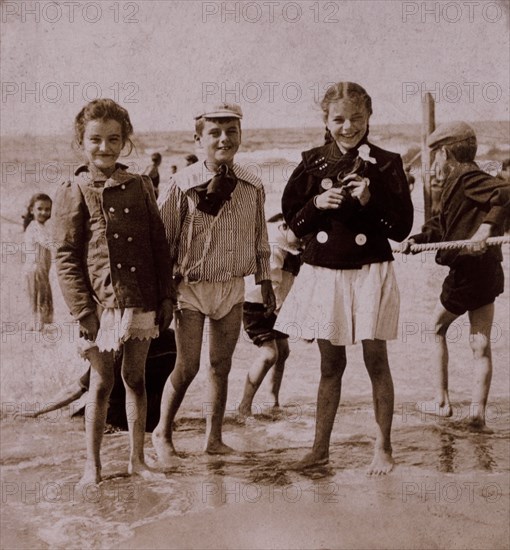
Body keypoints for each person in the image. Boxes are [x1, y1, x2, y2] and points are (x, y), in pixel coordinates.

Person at [277, 82, 413, 474]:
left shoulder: (387, 163)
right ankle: (319, 449)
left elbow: (401, 228)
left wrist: (371, 200)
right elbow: (293, 220)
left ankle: (383, 447)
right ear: (326, 120)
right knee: (330, 365)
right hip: (324, 272)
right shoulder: (312, 162)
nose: (348, 127)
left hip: (371, 269)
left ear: (369, 117)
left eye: (357, 118)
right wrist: (317, 204)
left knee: (376, 360)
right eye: (339, 119)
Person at [53, 98, 174, 485]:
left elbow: (158, 244)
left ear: (125, 142)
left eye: (113, 139)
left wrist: (166, 296)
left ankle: (137, 459)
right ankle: (93, 465)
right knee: (101, 383)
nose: (104, 148)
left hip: (139, 299)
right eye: (95, 140)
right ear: (81, 142)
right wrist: (82, 311)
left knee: (135, 380)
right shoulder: (74, 188)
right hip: (99, 307)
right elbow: (66, 255)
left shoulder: (139, 185)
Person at [154, 101, 275, 463]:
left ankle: (214, 438)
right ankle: (163, 432)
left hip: (232, 287)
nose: (224, 138)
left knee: (220, 366)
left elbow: (260, 237)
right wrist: (162, 291)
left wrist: (265, 279)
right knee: (188, 366)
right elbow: (164, 243)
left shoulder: (252, 185)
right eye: (215, 133)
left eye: (232, 131)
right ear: (198, 140)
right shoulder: (182, 184)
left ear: (240, 136)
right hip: (190, 287)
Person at [402, 121, 510, 428]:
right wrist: (417, 240)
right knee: (480, 343)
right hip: (488, 272)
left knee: (436, 327)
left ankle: (441, 401)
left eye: (436, 154)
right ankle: (477, 413)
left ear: (446, 153)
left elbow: (506, 192)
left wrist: (487, 229)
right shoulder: (457, 180)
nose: (435, 161)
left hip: (467, 273)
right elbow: (440, 226)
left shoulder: (465, 176)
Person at [238, 213, 302, 417]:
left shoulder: (295, 245)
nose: (303, 240)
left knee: (283, 351)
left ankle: (273, 400)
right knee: (269, 354)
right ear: (285, 227)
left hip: (277, 304)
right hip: (257, 304)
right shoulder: (274, 245)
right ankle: (244, 406)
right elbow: (271, 287)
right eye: (300, 235)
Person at [22, 193, 54, 330]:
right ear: (31, 210)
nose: (44, 212)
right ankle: (36, 323)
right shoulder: (35, 227)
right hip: (34, 268)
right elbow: (49, 243)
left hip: (41, 268)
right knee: (37, 295)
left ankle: (39, 322)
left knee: (41, 294)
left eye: (47, 209)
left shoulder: (41, 227)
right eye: (40, 209)